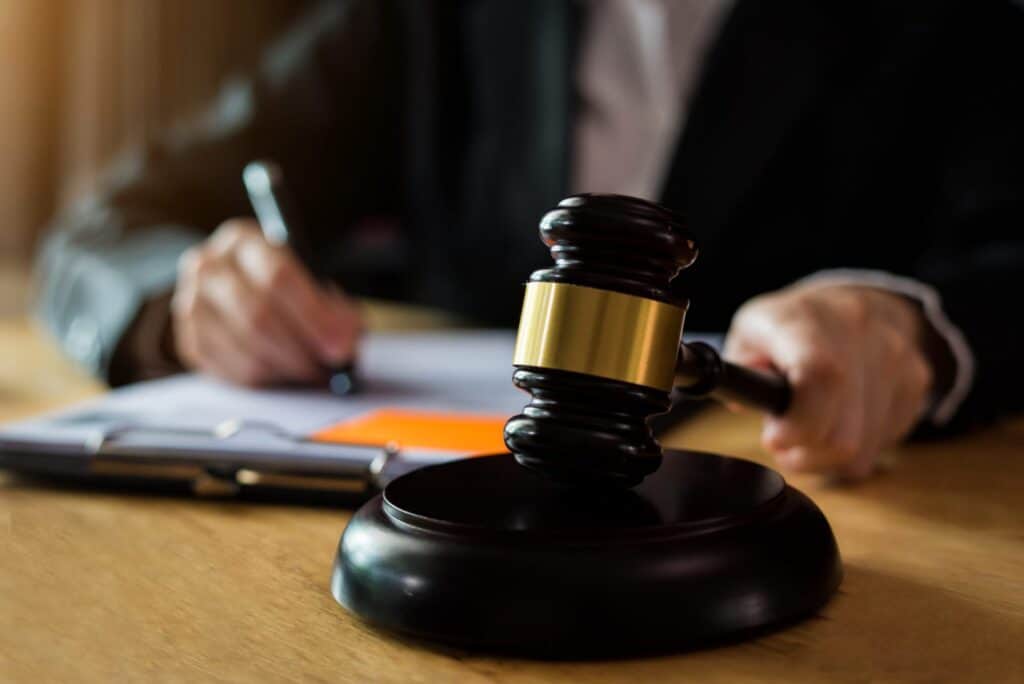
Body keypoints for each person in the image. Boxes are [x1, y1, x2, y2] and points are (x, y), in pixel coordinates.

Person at [37, 0, 1024, 479]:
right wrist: (182, 300)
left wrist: (914, 327)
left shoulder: (946, 19)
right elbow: (105, 224)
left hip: (803, 498)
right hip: (443, 496)